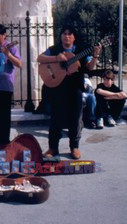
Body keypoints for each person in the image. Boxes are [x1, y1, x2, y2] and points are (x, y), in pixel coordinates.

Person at [37, 26, 101, 160]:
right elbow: (40, 58)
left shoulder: (81, 50)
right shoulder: (54, 49)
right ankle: (53, 147)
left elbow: (90, 67)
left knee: (76, 118)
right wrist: (56, 58)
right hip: (57, 88)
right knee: (56, 118)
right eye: (64, 33)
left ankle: (74, 147)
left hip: (75, 88)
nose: (66, 36)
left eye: (69, 34)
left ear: (74, 37)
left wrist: (95, 55)